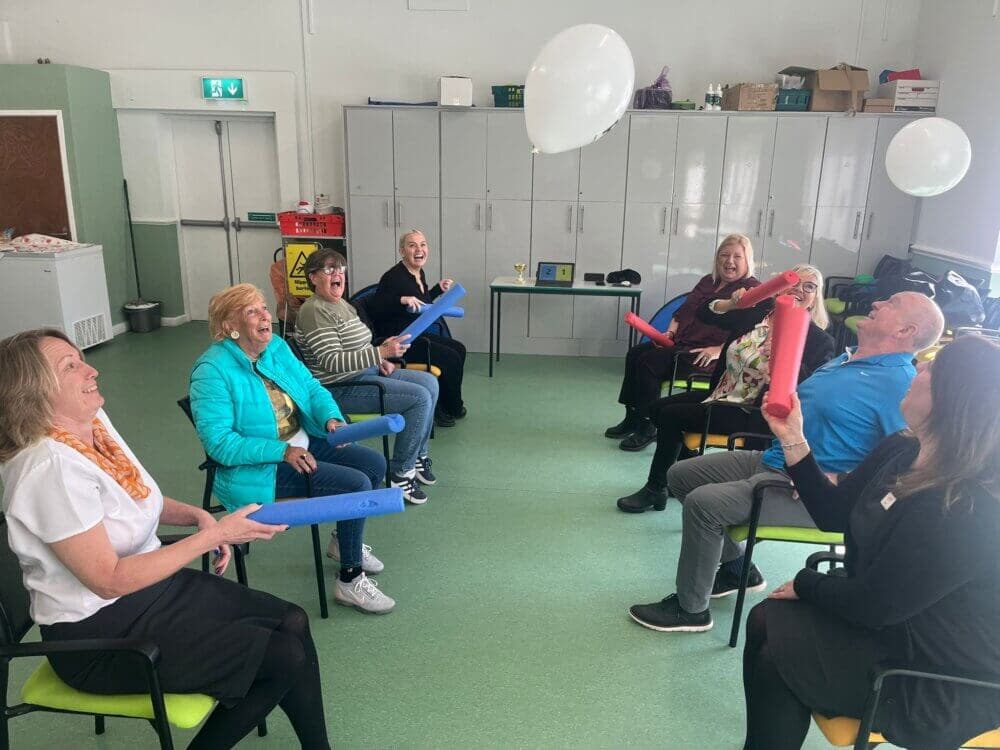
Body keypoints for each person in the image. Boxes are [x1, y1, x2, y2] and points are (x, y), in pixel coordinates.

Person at [0, 329, 331, 749]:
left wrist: (197, 517)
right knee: (283, 657)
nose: (91, 370)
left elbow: (139, 498)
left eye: (81, 358)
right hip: (98, 635)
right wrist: (216, 534)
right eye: (71, 366)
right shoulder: (47, 469)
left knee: (293, 621)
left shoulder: (92, 423)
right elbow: (109, 580)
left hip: (151, 592)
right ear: (32, 392)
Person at [628, 291, 945, 633]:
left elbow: (902, 455)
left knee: (705, 504)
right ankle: (738, 569)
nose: (877, 302)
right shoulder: (848, 357)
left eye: (891, 303)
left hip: (809, 490)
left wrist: (842, 478)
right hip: (776, 457)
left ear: (905, 330)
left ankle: (691, 610)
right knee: (680, 475)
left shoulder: (899, 382)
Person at [743, 336, 1000, 750]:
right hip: (897, 622)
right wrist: (793, 436)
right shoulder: (902, 448)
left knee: (778, 657)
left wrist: (808, 583)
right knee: (765, 618)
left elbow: (874, 606)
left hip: (945, 672)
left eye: (932, 368)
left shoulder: (966, 505)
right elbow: (833, 513)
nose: (919, 369)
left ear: (953, 399)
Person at [189, 283, 394, 615]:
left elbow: (312, 388)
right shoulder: (211, 371)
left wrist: (331, 418)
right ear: (229, 326)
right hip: (260, 468)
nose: (265, 316)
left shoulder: (276, 347)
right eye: (252, 311)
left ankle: (345, 541)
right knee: (355, 485)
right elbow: (220, 443)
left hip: (302, 443)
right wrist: (281, 452)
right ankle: (349, 579)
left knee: (373, 464)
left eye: (264, 308)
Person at [617, 265, 834, 513]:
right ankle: (685, 474)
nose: (799, 290)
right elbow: (705, 314)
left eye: (809, 287)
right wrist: (731, 304)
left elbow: (813, 387)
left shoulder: (819, 341)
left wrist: (782, 357)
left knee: (671, 416)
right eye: (794, 283)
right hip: (722, 393)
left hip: (753, 413)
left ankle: (656, 488)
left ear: (815, 298)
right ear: (780, 288)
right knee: (656, 409)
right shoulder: (758, 313)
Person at [295, 247, 439, 505]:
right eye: (329, 269)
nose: (337, 274)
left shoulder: (341, 304)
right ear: (313, 277)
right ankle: (400, 472)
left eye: (340, 269)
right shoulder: (314, 311)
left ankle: (417, 454)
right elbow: (332, 361)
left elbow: (359, 345)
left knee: (430, 382)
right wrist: (380, 352)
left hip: (366, 372)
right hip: (341, 386)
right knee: (418, 398)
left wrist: (380, 359)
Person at [607, 234, 761, 451]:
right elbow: (681, 312)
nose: (729, 261)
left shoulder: (750, 289)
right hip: (681, 343)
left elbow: (752, 333)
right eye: (724, 255)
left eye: (737, 256)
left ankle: (648, 426)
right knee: (635, 354)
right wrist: (670, 333)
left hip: (705, 355)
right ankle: (632, 417)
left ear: (747, 261)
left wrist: (718, 350)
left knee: (650, 363)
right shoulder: (708, 281)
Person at [368, 229, 467, 427]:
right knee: (449, 358)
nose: (419, 249)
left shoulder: (418, 272)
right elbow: (375, 306)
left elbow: (422, 303)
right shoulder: (393, 277)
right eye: (412, 245)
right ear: (402, 251)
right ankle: (445, 408)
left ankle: (448, 403)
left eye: (423, 245)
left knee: (459, 349)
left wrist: (437, 289)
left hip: (416, 334)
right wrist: (400, 300)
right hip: (399, 341)